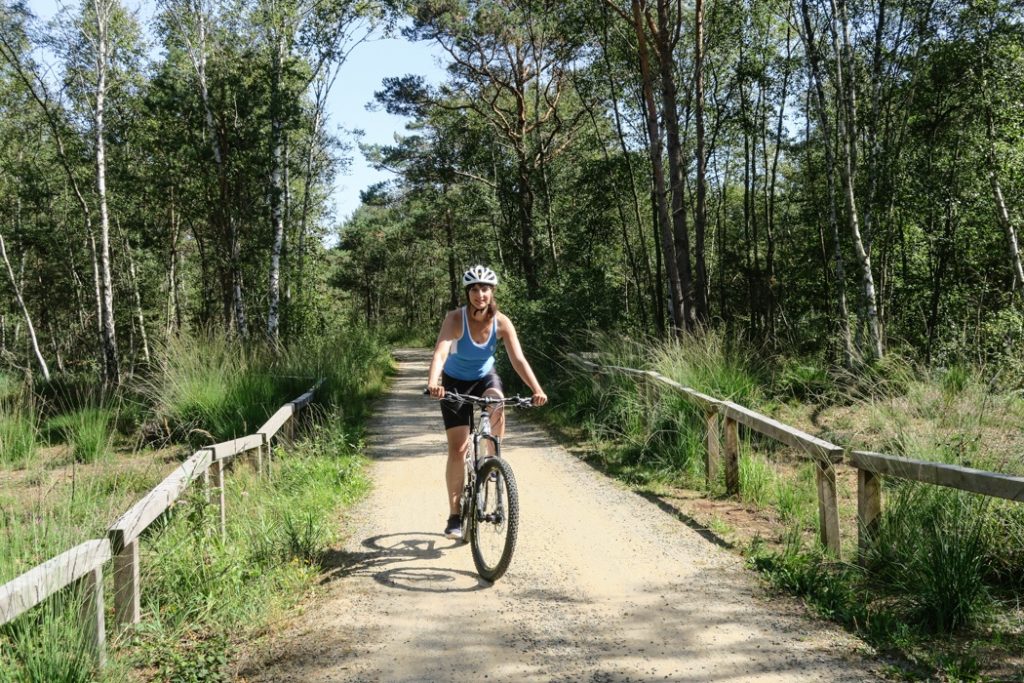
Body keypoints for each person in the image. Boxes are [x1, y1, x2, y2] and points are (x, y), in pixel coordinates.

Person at [426, 265, 548, 540]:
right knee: (457, 449)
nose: (480, 294)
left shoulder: (502, 322)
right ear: (468, 293)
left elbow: (518, 359)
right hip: (454, 382)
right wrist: (434, 383)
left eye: (485, 289)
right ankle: (455, 516)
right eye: (474, 289)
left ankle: (492, 462)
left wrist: (537, 389)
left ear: (492, 292)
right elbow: (441, 352)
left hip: (485, 378)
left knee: (497, 400)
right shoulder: (455, 319)